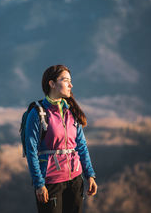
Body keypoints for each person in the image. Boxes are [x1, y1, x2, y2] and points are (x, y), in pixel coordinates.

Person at [25, 65, 97, 213]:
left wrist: (89, 175)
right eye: (66, 81)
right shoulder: (37, 113)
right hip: (50, 183)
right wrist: (39, 184)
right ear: (52, 84)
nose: (71, 85)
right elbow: (31, 151)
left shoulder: (71, 111)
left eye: (70, 81)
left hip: (76, 180)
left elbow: (81, 146)